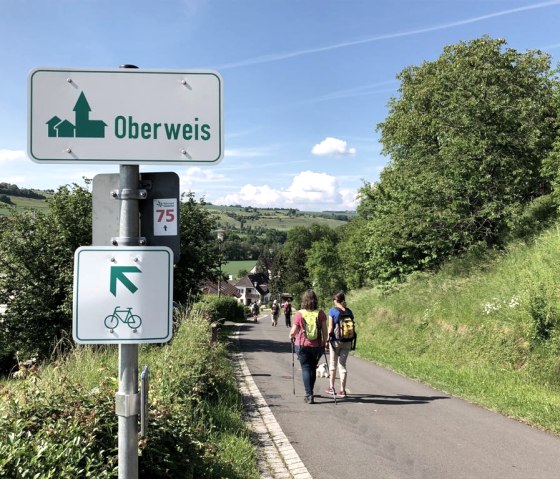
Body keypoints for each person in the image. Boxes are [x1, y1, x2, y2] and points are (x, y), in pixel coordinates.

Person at [289, 290, 328, 404]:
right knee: (313, 367)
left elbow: (293, 332)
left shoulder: (299, 314)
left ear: (304, 300)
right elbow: (325, 332)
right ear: (315, 300)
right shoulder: (320, 313)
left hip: (302, 345)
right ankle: (310, 391)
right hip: (317, 346)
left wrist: (291, 336)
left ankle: (309, 394)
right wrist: (324, 343)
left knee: (306, 368)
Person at [326, 292, 354, 398]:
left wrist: (327, 339)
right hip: (347, 341)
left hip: (335, 341)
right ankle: (342, 390)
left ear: (335, 300)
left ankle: (331, 387)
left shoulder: (333, 311)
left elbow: (330, 328)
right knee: (342, 365)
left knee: (333, 364)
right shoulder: (349, 311)